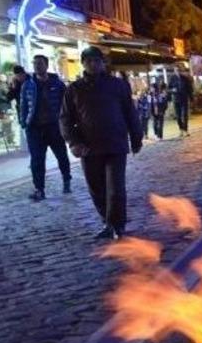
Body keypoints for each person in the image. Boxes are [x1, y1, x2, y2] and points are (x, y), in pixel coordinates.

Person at [60, 46, 143, 240]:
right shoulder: (74, 89)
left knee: (116, 188)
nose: (93, 64)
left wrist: (136, 136)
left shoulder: (118, 85)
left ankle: (117, 225)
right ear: (83, 64)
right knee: (96, 188)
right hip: (89, 147)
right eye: (89, 61)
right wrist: (73, 142)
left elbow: (130, 112)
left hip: (116, 143)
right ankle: (107, 222)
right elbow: (65, 118)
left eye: (96, 61)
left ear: (102, 63)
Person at [19, 55, 72, 201]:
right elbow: (23, 104)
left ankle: (66, 179)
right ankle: (39, 189)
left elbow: (66, 105)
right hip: (35, 129)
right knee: (36, 160)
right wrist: (23, 122)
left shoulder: (57, 84)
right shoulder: (28, 84)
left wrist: (65, 123)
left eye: (40, 63)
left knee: (61, 156)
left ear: (47, 66)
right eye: (35, 63)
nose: (37, 66)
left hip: (54, 127)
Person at [171, 67, 194, 137]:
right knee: (178, 116)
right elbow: (169, 88)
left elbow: (190, 89)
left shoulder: (185, 78)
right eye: (176, 70)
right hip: (176, 99)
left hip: (184, 99)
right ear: (174, 71)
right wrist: (172, 90)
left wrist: (191, 98)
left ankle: (186, 130)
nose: (178, 72)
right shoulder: (172, 79)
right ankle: (181, 129)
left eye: (179, 70)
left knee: (185, 115)